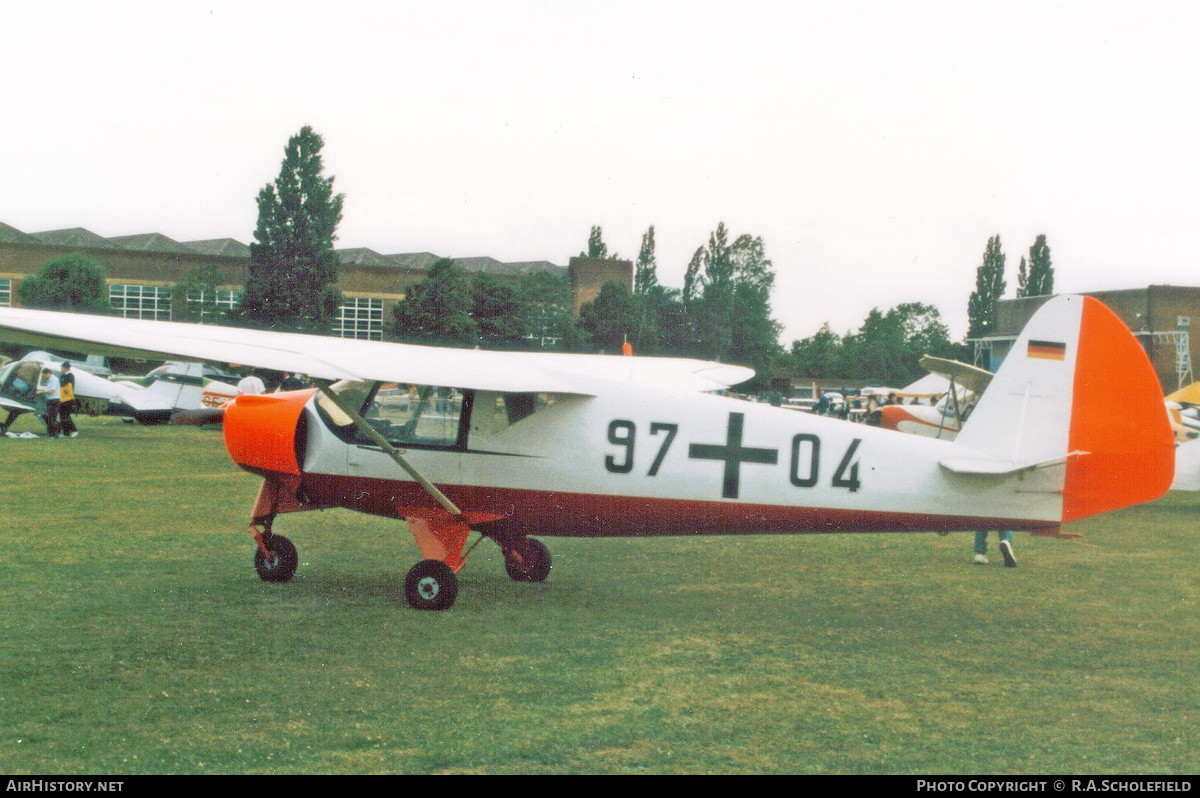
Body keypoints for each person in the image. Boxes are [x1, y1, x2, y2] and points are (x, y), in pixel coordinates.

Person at [35, 367, 62, 438]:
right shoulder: (51, 380)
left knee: (52, 418)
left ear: (48, 373)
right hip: (52, 400)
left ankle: (54, 434)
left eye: (44, 375)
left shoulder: (53, 380)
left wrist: (41, 392)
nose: (43, 377)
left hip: (53, 400)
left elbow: (51, 391)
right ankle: (51, 433)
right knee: (51, 417)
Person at [58, 361, 78, 438]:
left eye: (62, 368)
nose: (61, 369)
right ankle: (66, 432)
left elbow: (63, 384)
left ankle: (74, 430)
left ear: (66, 368)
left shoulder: (70, 376)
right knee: (62, 416)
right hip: (62, 398)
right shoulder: (63, 376)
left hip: (68, 398)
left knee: (66, 416)